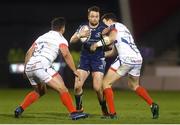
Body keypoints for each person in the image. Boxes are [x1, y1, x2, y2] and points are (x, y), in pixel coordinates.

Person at [14, 17, 88, 120]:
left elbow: (28, 53)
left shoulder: (41, 37)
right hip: (42, 65)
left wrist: (25, 70)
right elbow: (66, 54)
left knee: (40, 91)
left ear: (52, 27)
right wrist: (74, 70)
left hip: (30, 66)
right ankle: (73, 113)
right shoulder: (61, 39)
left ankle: (20, 109)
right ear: (63, 28)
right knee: (62, 89)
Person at [90, 13, 159, 119]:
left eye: (104, 23)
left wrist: (96, 44)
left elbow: (111, 38)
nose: (104, 27)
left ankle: (112, 114)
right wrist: (101, 55)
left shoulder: (114, 26)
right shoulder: (124, 28)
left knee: (106, 83)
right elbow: (113, 51)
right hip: (137, 58)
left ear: (109, 20)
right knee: (134, 85)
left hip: (126, 59)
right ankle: (152, 104)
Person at [70, 6, 109, 116]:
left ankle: (103, 107)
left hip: (98, 59)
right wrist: (79, 35)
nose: (94, 18)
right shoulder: (83, 27)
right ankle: (79, 109)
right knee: (77, 86)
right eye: (92, 16)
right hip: (85, 59)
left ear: (99, 17)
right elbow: (71, 40)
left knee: (97, 87)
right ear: (88, 17)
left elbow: (110, 43)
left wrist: (103, 40)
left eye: (97, 16)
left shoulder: (104, 28)